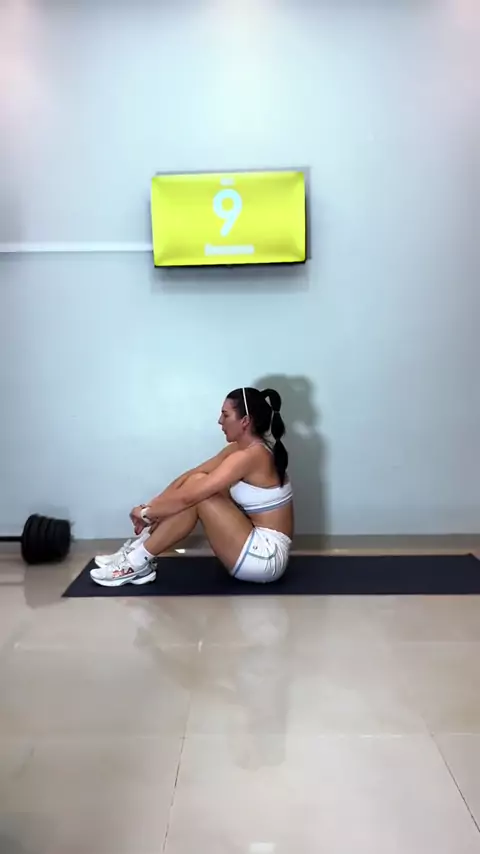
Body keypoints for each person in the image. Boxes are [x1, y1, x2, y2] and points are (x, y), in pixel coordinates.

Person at [91, 387, 294, 587]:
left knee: (199, 496)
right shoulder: (239, 450)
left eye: (225, 415)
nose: (220, 421)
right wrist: (152, 507)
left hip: (266, 559)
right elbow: (192, 475)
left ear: (245, 421)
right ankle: (138, 551)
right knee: (197, 481)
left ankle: (135, 563)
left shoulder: (251, 456)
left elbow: (189, 498)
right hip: (253, 546)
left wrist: (147, 514)